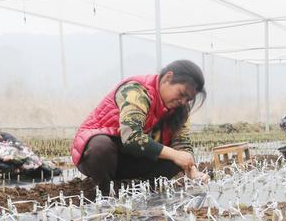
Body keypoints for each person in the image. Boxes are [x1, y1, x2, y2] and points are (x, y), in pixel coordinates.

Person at [72, 59, 208, 190]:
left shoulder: (181, 109)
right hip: (100, 156)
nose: (183, 101)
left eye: (188, 99)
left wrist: (192, 170)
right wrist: (175, 154)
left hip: (132, 159)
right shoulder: (136, 91)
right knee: (100, 147)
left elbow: (181, 143)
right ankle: (107, 192)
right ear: (167, 77)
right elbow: (132, 138)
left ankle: (141, 188)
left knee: (177, 159)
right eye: (181, 94)